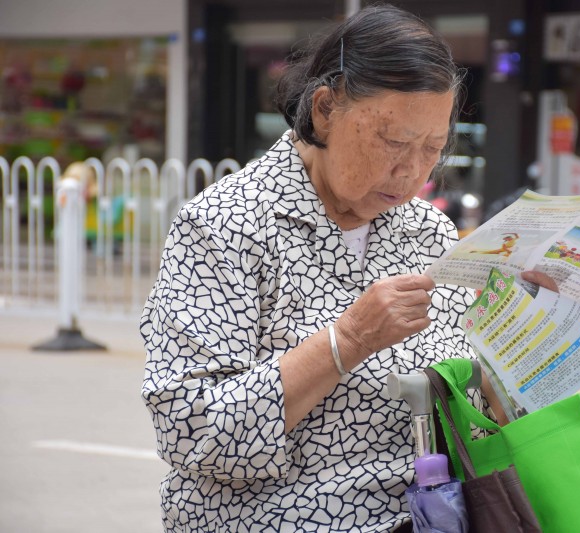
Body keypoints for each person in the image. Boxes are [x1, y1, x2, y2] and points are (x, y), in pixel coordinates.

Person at [140, 5, 556, 532]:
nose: (410, 172)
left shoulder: (428, 231)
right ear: (324, 110)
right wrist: (347, 340)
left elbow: (478, 416)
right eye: (393, 141)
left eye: (432, 149)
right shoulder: (225, 225)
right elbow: (190, 431)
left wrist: (521, 337)